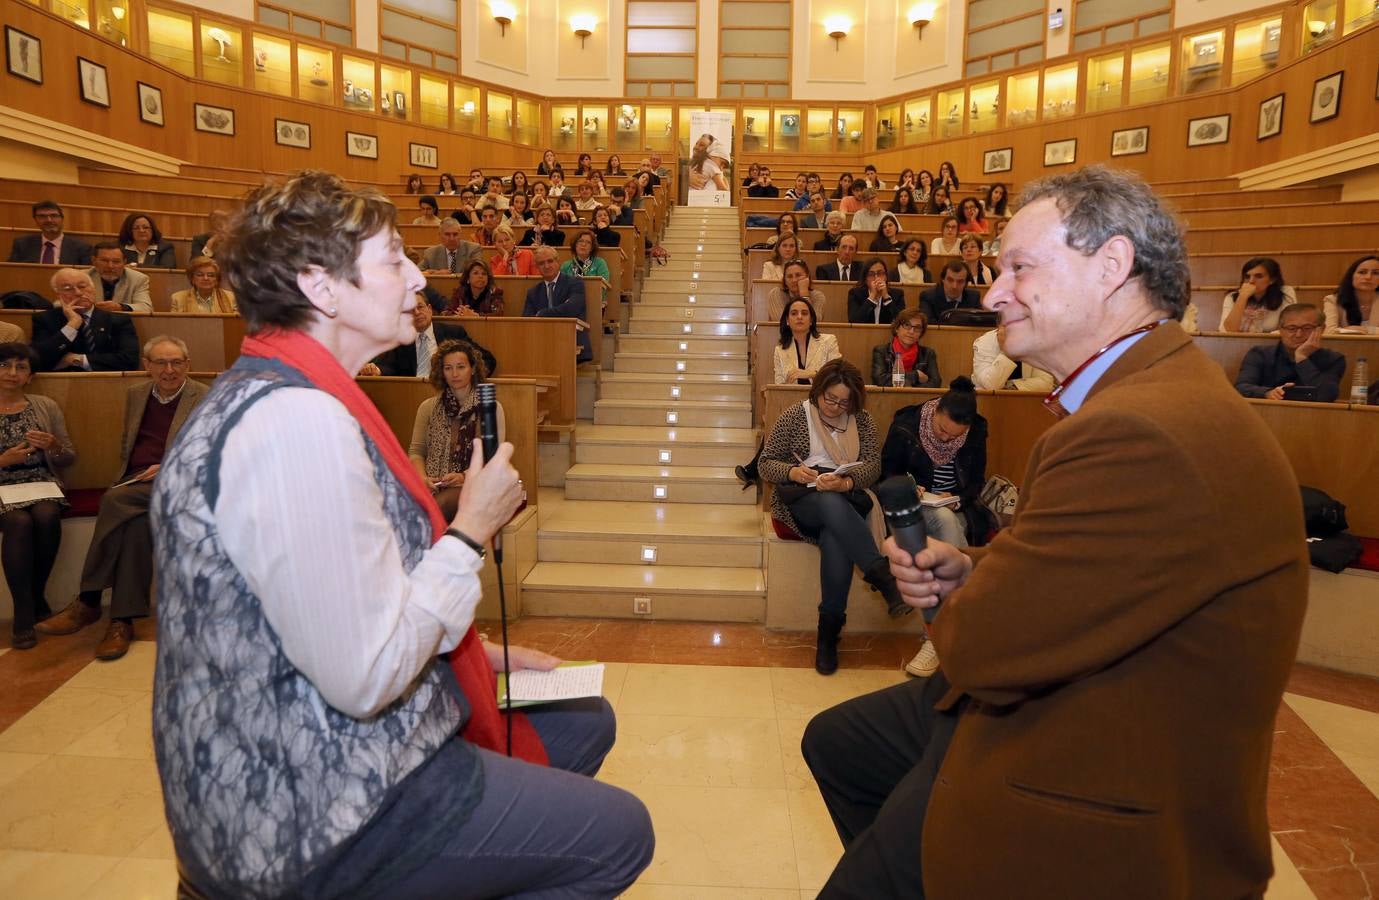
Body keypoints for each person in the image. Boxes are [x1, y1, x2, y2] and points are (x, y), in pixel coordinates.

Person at [802, 165, 1308, 899]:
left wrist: (964, 602)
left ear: (1111, 266)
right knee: (842, 743)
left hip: (1097, 767)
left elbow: (980, 652)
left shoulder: (1137, 429)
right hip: (1077, 699)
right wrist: (975, 569)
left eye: (1017, 266)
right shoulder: (1143, 396)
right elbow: (1094, 570)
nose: (991, 291)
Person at [149, 170, 652, 899]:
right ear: (321, 287)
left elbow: (347, 596)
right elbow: (363, 678)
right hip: (305, 805)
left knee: (580, 718)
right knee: (616, 836)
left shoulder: (281, 389)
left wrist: (477, 647)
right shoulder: (296, 422)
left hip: (317, 740)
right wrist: (470, 529)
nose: (418, 274)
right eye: (393, 258)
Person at [35, 336, 209, 659]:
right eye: (160, 362)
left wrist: (170, 465)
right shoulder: (136, 394)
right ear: (147, 366)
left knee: (113, 502)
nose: (169, 370)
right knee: (135, 529)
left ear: (188, 365)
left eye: (176, 363)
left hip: (183, 483)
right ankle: (121, 620)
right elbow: (129, 443)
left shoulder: (205, 397)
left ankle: (87, 599)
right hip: (137, 482)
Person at [759, 358, 908, 675]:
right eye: (830, 399)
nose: (835, 406)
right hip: (802, 499)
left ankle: (827, 637)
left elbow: (872, 465)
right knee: (827, 504)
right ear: (818, 391)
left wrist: (847, 482)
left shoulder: (862, 420)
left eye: (843, 402)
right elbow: (766, 463)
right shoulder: (796, 416)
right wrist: (795, 472)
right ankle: (881, 575)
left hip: (845, 497)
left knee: (835, 537)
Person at [880, 377, 988, 677]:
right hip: (917, 508)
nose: (944, 439)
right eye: (941, 430)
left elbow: (976, 481)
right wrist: (909, 487)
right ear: (935, 410)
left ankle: (942, 633)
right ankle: (940, 637)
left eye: (956, 435)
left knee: (951, 522)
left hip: (955, 506)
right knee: (945, 525)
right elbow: (887, 471)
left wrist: (957, 497)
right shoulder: (907, 423)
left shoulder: (977, 430)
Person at [0, 342, 76, 650]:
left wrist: (53, 445)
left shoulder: (45, 406)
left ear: (30, 376)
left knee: (46, 515)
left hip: (41, 483)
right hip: (2, 486)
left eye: (21, 367)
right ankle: (25, 611)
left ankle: (35, 593)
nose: (12, 373)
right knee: (19, 523)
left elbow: (69, 456)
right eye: (5, 365)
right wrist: (4, 461)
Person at [409, 340, 506, 522]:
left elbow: (493, 458)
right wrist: (422, 478)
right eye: (448, 368)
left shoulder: (489, 408)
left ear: (473, 369)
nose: (454, 374)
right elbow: (416, 452)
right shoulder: (428, 408)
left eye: (461, 367)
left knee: (438, 507)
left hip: (475, 484)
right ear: (441, 372)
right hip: (434, 484)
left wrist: (463, 476)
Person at [31, 268, 140, 372]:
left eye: (82, 286)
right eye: (68, 289)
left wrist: (77, 359)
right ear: (58, 295)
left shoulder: (118, 320)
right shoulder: (45, 319)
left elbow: (130, 361)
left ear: (93, 289)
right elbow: (38, 359)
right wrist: (71, 326)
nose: (78, 293)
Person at [1234, 304, 1346, 402]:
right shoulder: (1260, 354)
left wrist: (1302, 358)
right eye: (1291, 328)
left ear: (1321, 329)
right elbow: (1241, 387)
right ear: (1280, 330)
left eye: (1307, 328)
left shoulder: (1334, 359)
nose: (1298, 334)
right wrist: (1268, 393)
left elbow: (1326, 396)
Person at [366, 297, 494, 378]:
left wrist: (469, 379)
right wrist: (376, 370)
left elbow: (487, 360)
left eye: (420, 307)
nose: (416, 312)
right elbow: (389, 367)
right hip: (411, 396)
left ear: (430, 309)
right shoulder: (400, 340)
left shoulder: (453, 333)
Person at [524, 245, 592, 363]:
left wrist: (542, 313)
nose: (546, 266)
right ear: (537, 267)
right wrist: (561, 309)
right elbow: (527, 320)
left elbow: (571, 309)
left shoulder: (575, 283)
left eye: (550, 261)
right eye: (541, 263)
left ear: (558, 261)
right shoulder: (533, 292)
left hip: (571, 339)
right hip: (542, 342)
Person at [1220, 257, 1296, 333]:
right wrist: (1242, 297)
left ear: (1272, 280)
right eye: (1247, 277)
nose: (1251, 281)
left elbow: (1290, 327)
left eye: (1258, 276)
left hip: (1271, 343)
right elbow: (1229, 330)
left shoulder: (1286, 292)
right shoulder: (1232, 296)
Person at [871, 308, 940, 389]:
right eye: (907, 325)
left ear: (921, 333)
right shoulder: (881, 351)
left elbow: (936, 383)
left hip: (919, 400)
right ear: (897, 328)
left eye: (917, 328)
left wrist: (910, 389)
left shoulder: (928, 353)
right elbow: (880, 380)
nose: (911, 331)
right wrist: (915, 375)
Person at [971, 325, 1054, 392]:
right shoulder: (984, 343)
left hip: (1026, 403)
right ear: (998, 328)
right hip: (989, 403)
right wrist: (1006, 352)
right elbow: (990, 385)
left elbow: (1046, 383)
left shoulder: (1037, 343)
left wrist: (1010, 386)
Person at [8, 200, 92, 264]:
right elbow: (12, 271)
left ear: (62, 219)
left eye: (54, 215)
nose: (49, 220)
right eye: (42, 216)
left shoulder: (82, 248)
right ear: (35, 220)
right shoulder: (22, 244)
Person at [87, 242, 153, 312]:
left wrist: (121, 307)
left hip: (122, 321)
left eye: (116, 261)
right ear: (94, 261)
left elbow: (146, 308)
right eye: (105, 261)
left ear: (124, 262)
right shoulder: (82, 277)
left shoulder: (138, 279)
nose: (110, 266)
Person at [1322, 254, 1379, 331]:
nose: (1368, 277)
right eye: (1362, 272)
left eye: (1376, 273)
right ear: (1351, 275)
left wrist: (1361, 330)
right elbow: (1329, 331)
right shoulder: (1332, 300)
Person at [562, 229, 611, 311]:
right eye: (580, 241)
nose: (583, 244)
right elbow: (562, 287)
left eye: (588, 242)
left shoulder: (600, 263)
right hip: (570, 303)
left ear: (592, 247)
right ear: (575, 245)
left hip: (594, 303)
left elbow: (604, 285)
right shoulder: (566, 265)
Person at [170, 255, 238, 313]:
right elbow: (175, 326)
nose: (206, 278)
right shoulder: (178, 299)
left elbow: (234, 324)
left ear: (217, 280)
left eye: (211, 275)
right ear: (192, 278)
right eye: (200, 275)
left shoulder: (231, 298)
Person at [848, 258, 904, 325]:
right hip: (863, 334)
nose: (876, 278)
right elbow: (854, 321)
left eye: (880, 273)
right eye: (871, 274)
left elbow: (902, 322)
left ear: (886, 277)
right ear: (865, 279)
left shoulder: (897, 294)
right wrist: (872, 296)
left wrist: (886, 297)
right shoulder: (855, 294)